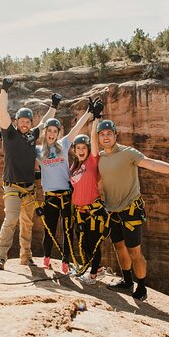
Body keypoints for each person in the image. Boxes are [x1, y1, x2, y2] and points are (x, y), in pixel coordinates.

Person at [97, 118, 169, 301]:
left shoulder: (128, 153)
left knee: (135, 251)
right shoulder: (100, 157)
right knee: (119, 247)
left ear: (115, 135)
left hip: (130, 210)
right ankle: (127, 282)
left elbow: (151, 163)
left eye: (109, 133)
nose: (106, 137)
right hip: (112, 212)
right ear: (98, 137)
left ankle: (142, 287)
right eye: (102, 134)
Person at [0, 77, 59, 270]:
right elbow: (2, 111)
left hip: (29, 188)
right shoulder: (9, 133)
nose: (24, 124)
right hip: (12, 186)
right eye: (21, 121)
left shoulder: (32, 135)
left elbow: (45, 122)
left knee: (28, 224)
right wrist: (4, 90)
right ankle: (0, 257)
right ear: (16, 121)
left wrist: (53, 105)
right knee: (11, 219)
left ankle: (25, 257)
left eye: (28, 121)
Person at [38, 102, 93, 274]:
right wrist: (7, 137)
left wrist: (88, 113)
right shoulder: (38, 151)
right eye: (49, 131)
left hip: (66, 196)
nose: (52, 134)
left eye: (55, 131)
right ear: (45, 132)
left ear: (58, 133)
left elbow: (77, 128)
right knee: (49, 230)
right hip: (50, 197)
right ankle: (46, 259)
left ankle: (65, 262)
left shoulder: (64, 144)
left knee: (68, 231)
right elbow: (22, 149)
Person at [69, 98, 108, 284]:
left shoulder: (92, 162)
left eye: (84, 148)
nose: (81, 150)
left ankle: (92, 276)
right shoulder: (73, 168)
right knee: (83, 243)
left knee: (92, 244)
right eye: (78, 148)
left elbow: (94, 139)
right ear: (75, 151)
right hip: (79, 211)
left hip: (93, 210)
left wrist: (96, 119)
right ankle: (97, 269)